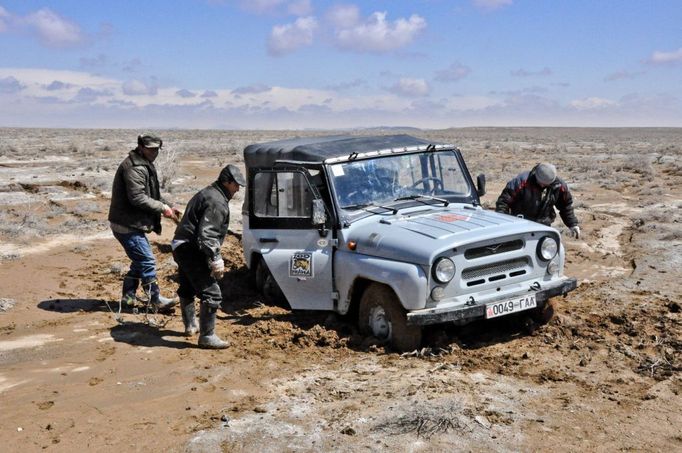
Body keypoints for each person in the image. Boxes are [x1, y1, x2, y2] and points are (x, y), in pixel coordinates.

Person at [171, 164, 245, 349]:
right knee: (212, 292)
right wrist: (216, 258)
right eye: (236, 185)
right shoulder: (216, 201)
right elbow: (208, 235)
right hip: (191, 248)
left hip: (182, 245)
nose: (238, 189)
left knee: (187, 286)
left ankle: (190, 326)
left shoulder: (210, 193)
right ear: (226, 182)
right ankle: (207, 336)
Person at [108, 133, 181, 310]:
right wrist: (163, 208)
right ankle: (155, 300)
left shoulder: (143, 164)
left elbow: (151, 194)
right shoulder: (134, 168)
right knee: (147, 261)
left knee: (139, 261)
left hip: (130, 222)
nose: (154, 152)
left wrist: (168, 205)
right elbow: (138, 197)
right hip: (127, 224)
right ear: (141, 147)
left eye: (157, 149)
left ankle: (128, 298)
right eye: (150, 149)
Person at [495, 162, 581, 238]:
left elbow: (565, 206)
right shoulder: (522, 181)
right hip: (520, 224)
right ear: (536, 175)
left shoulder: (559, 186)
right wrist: (504, 225)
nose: (543, 185)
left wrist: (572, 224)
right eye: (541, 182)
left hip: (543, 225)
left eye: (546, 184)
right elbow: (503, 203)